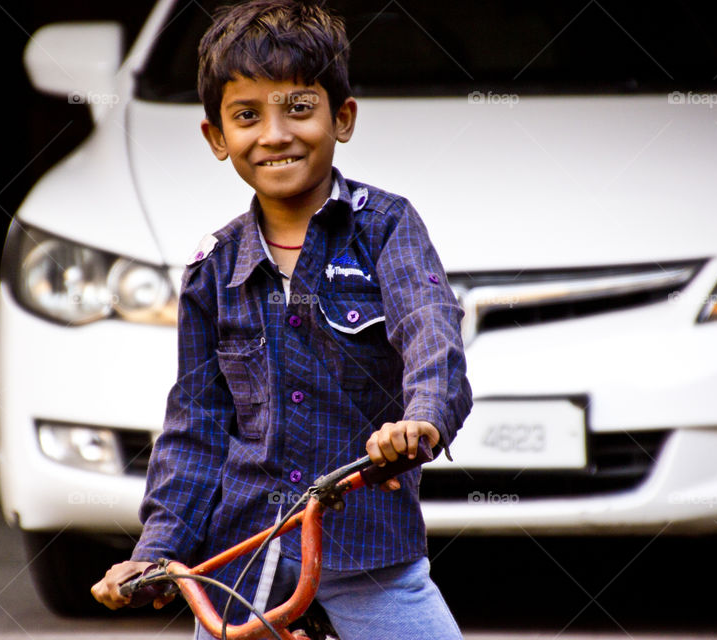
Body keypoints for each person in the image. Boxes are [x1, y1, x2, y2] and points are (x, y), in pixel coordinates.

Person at [91, 1, 472, 638]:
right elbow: (195, 425)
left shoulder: (386, 227)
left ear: (341, 118)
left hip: (368, 551)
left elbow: (430, 330)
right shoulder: (212, 270)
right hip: (243, 564)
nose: (274, 134)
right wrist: (155, 550)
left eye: (299, 107)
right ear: (218, 138)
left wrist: (420, 422)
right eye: (247, 116)